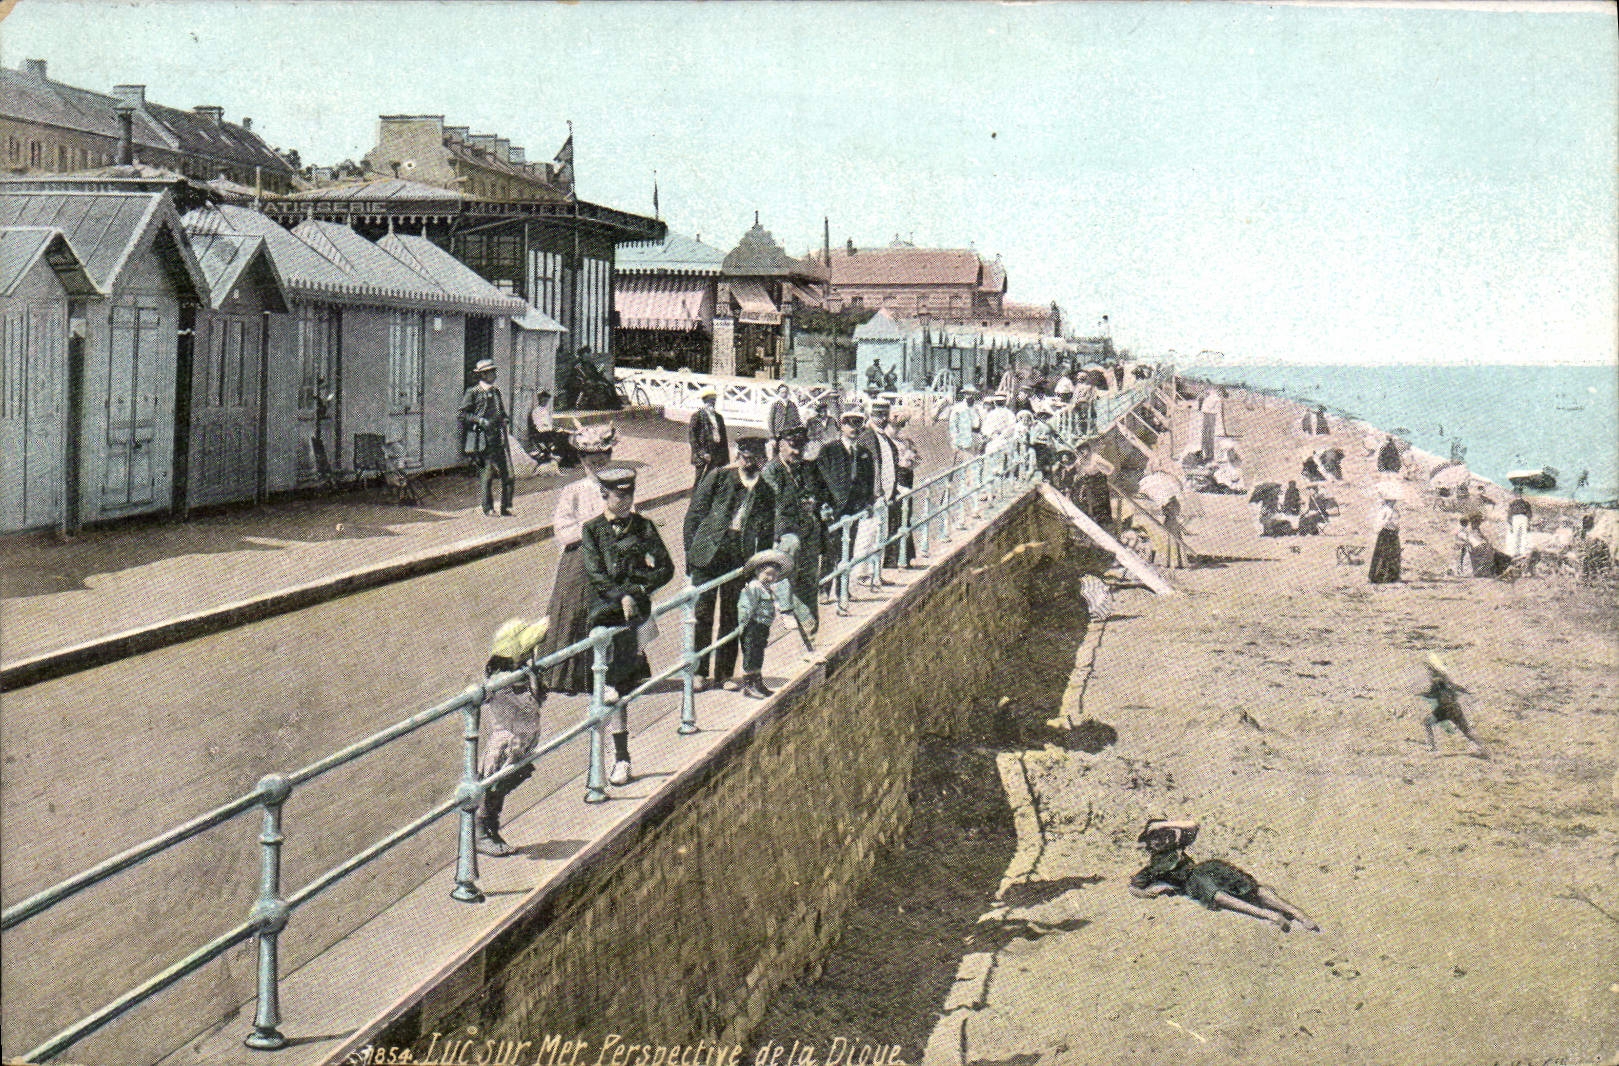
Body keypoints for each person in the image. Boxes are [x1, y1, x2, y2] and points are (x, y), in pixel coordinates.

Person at [580, 467, 675, 785]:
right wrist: (620, 596)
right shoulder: (592, 529)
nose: (627, 502)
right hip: (603, 611)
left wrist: (637, 590)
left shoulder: (643, 526)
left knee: (617, 690)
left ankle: (621, 759)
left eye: (630, 495)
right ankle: (604, 761)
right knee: (602, 690)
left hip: (631, 614)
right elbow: (595, 573)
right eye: (620, 496)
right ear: (604, 496)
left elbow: (665, 568)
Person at [683, 436, 779, 691]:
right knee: (702, 614)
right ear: (738, 456)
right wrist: (690, 560)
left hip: (739, 556)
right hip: (709, 554)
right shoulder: (718, 477)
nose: (749, 462)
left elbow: (768, 533)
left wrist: (763, 566)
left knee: (732, 615)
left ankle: (724, 675)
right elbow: (693, 516)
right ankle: (698, 672)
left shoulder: (766, 491)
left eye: (755, 458)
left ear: (763, 459)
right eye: (745, 456)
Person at [535, 424, 619, 695]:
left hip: (610, 557)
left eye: (602, 460)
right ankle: (569, 676)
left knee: (610, 612)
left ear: (610, 458)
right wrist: (591, 529)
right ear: (582, 461)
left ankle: (608, 674)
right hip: (580, 557)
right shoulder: (573, 490)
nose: (596, 465)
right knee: (574, 610)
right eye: (590, 461)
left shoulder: (619, 487)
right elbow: (562, 527)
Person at [1128, 819, 1320, 932]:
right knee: (1219, 896)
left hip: (1207, 869)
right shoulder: (1152, 867)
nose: (1161, 840)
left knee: (1251, 888)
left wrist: (1165, 824)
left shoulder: (1178, 846)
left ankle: (1296, 913)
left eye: (1165, 835)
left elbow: (1193, 825)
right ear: (1149, 844)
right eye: (1155, 838)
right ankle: (1268, 914)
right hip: (1192, 882)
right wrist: (1155, 890)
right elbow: (1134, 887)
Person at [474, 617, 551, 856]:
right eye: (526, 651)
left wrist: (536, 678)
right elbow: (485, 696)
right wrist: (478, 696)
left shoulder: (522, 674)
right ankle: (480, 833)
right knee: (493, 790)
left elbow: (536, 702)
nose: (530, 655)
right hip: (506, 745)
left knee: (503, 788)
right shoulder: (499, 679)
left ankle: (491, 830)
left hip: (522, 745)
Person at [762, 426, 830, 634]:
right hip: (781, 528)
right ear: (781, 445)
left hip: (804, 525)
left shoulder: (803, 467)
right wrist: (803, 505)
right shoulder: (771, 471)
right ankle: (785, 606)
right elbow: (777, 507)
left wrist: (819, 504)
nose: (797, 452)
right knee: (791, 546)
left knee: (809, 571)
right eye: (793, 447)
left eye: (801, 446)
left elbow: (816, 491)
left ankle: (807, 612)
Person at [816, 410, 877, 580]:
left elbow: (869, 480)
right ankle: (825, 588)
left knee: (848, 547)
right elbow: (820, 479)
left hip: (855, 506)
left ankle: (843, 588)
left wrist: (868, 502)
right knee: (831, 549)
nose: (854, 429)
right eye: (850, 424)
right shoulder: (829, 450)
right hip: (834, 506)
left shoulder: (864, 452)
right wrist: (823, 504)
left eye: (858, 425)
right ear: (842, 426)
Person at [735, 549, 794, 699]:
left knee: (758, 653)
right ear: (757, 572)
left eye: (774, 575)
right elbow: (746, 607)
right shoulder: (754, 587)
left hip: (762, 627)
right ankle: (749, 685)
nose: (770, 578)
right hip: (753, 626)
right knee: (751, 654)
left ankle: (758, 682)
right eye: (767, 574)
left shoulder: (766, 588)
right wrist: (743, 624)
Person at [459, 358, 515, 516]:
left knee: (509, 474)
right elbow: (462, 414)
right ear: (483, 375)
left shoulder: (496, 391)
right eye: (491, 372)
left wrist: (505, 418)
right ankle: (488, 508)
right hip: (482, 439)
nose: (494, 374)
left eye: (494, 371)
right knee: (487, 475)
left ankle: (506, 507)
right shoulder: (473, 392)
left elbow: (502, 412)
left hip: (498, 437)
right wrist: (480, 420)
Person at [857, 398, 902, 586]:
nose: (881, 419)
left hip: (886, 493)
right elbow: (872, 465)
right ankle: (862, 573)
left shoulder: (883, 437)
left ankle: (876, 572)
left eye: (884, 415)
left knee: (880, 534)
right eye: (877, 415)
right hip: (874, 496)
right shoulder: (868, 435)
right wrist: (876, 492)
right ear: (869, 416)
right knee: (868, 533)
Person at [1420, 654, 1489, 758]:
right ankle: (1484, 749)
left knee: (1427, 722)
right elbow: (1454, 687)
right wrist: (1466, 691)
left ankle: (1433, 748)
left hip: (1444, 710)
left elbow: (1433, 694)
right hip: (1454, 708)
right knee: (1467, 731)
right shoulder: (1446, 681)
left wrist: (1423, 694)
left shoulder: (1437, 682)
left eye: (1429, 669)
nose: (1428, 672)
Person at [688, 385, 729, 488]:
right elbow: (692, 437)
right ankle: (695, 502)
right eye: (709, 400)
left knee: (712, 481)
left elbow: (723, 438)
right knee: (699, 480)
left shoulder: (719, 417)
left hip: (716, 452)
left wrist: (724, 457)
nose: (712, 403)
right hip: (703, 454)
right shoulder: (697, 416)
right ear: (704, 401)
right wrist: (702, 453)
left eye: (714, 400)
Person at [1368, 488, 1402, 583]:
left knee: (1394, 554)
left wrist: (1396, 526)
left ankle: (1392, 576)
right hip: (1386, 534)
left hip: (1393, 534)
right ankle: (1379, 576)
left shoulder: (1394, 511)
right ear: (1388, 501)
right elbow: (1380, 523)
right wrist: (1387, 521)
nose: (1393, 502)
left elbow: (1397, 522)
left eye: (1394, 500)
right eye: (1392, 500)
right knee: (1383, 554)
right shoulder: (1385, 510)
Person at [1506, 490, 1533, 558]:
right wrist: (1510, 524)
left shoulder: (1522, 503)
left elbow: (1510, 514)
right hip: (1520, 518)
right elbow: (1529, 514)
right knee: (1521, 535)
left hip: (1520, 518)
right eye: (1518, 493)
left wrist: (1510, 524)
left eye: (1519, 493)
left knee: (1519, 535)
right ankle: (1519, 552)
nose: (1518, 495)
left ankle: (1519, 552)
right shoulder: (1522, 503)